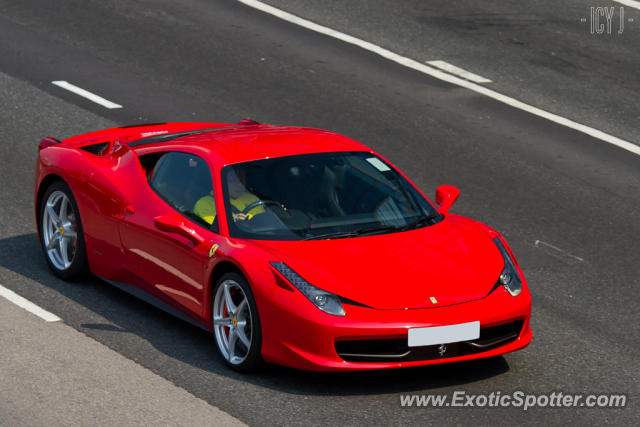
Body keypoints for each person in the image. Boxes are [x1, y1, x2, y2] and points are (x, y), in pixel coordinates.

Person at [194, 168, 264, 225]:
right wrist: (232, 221)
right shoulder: (204, 204)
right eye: (233, 181)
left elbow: (263, 221)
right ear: (221, 182)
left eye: (241, 180)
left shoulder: (252, 198)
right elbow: (212, 231)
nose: (239, 185)